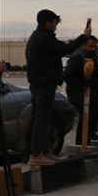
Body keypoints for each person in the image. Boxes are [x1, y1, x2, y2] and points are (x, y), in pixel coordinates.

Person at [25, 10, 91, 166]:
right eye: (55, 23)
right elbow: (66, 48)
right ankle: (36, 154)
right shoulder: (45, 38)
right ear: (48, 23)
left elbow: (49, 54)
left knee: (42, 119)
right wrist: (84, 36)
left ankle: (45, 152)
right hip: (43, 85)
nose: (56, 26)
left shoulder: (39, 37)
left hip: (40, 84)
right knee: (41, 120)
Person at [64, 35, 98, 145]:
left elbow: (96, 75)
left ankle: (82, 143)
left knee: (86, 115)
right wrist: (82, 85)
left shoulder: (92, 58)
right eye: (91, 46)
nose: (93, 49)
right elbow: (67, 76)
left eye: (95, 46)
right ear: (83, 46)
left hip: (89, 90)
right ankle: (89, 131)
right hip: (77, 91)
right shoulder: (78, 58)